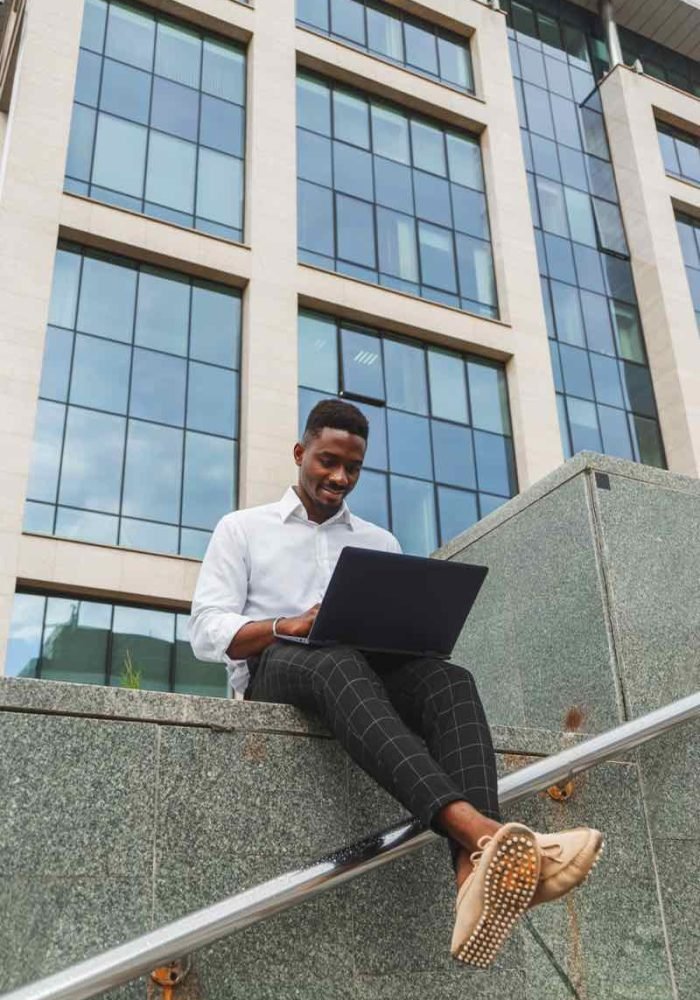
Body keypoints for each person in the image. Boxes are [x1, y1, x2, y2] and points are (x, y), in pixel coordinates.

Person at [190, 398, 603, 967]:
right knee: (333, 658)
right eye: (328, 461)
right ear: (299, 454)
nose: (339, 477)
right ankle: (485, 834)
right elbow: (208, 629)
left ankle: (470, 879)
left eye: (352, 468)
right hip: (275, 669)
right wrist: (289, 624)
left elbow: (403, 634)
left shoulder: (378, 541)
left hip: (361, 670)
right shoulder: (242, 529)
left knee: (448, 680)